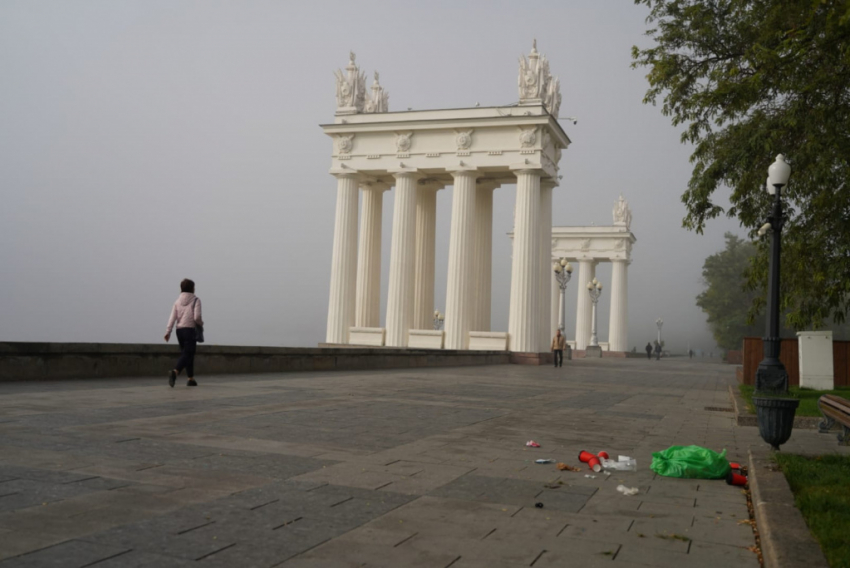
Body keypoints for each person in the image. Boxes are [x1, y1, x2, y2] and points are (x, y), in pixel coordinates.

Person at [164, 278, 203, 387]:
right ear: (192, 288)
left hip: (179, 331)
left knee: (187, 354)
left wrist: (168, 331)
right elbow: (197, 317)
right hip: (190, 330)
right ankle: (175, 372)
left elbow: (172, 317)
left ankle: (191, 379)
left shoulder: (177, 301)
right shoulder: (196, 300)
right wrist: (200, 323)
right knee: (188, 353)